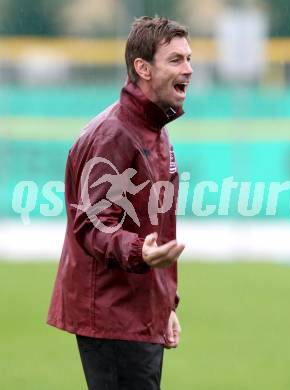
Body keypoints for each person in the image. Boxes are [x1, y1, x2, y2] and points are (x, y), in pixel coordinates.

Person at [47, 16, 193, 390]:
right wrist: (138, 252)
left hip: (139, 309)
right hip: (113, 314)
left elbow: (158, 230)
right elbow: (92, 225)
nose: (189, 70)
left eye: (189, 59)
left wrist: (165, 304)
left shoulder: (155, 129)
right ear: (143, 68)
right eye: (176, 60)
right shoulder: (113, 133)